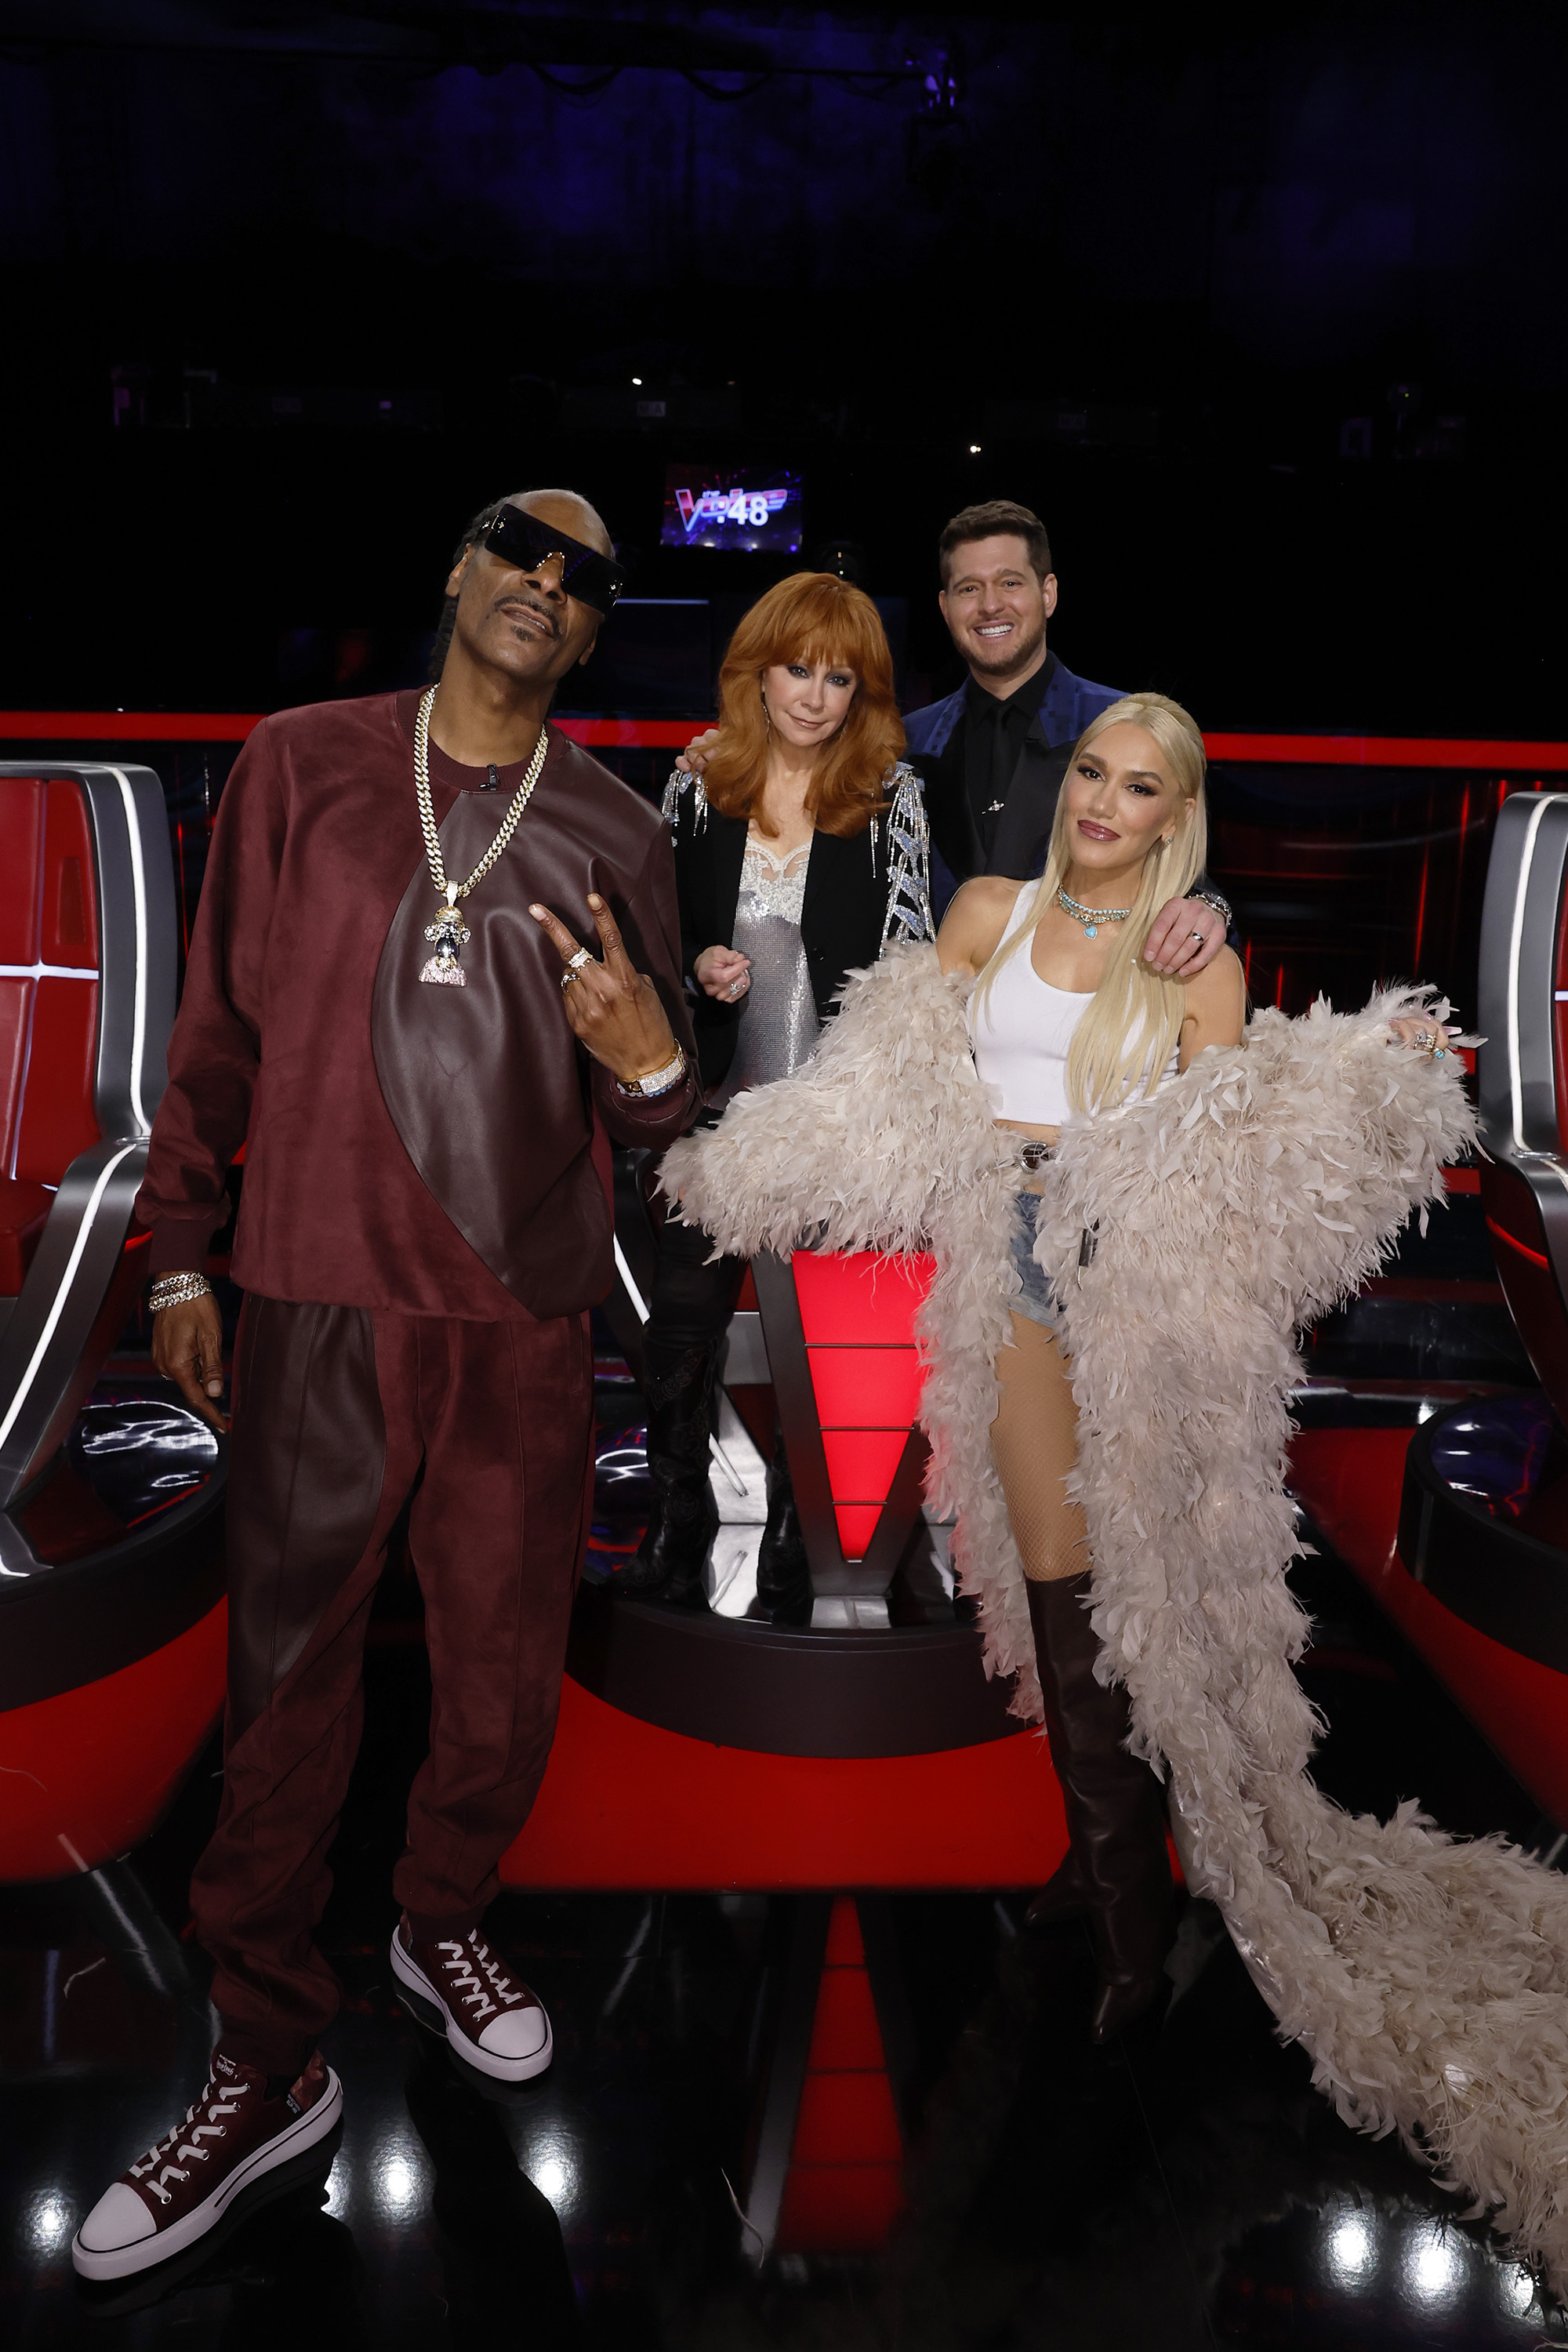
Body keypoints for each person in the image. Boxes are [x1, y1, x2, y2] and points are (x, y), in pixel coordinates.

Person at [654, 703, 1568, 2301]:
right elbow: (898, 1075)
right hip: (1000, 1271)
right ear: (1065, 786)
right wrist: (751, 1136)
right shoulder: (988, 913)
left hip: (1131, 1295)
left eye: (1141, 788)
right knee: (1063, 1582)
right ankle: (1120, 1917)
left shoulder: (1195, 955)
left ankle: (1161, 1893)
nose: (1104, 802)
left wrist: (1370, 1068)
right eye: (1091, 773)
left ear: (1174, 816)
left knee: (1164, 1587)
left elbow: (1227, 1149)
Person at [72, 488, 702, 2283]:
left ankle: (441, 1920)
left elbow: (655, 1129)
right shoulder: (298, 764)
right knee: (283, 1697)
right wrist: (183, 1246)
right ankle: (265, 2058)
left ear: (590, 634)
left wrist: (654, 1070)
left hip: (515, 1324)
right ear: (456, 568)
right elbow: (215, 1033)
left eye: (583, 580)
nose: (544, 585)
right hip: (317, 1295)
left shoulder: (609, 829)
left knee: (501, 1688)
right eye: (519, 546)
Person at [626, 572, 932, 1620]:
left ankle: (810, 1528)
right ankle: (678, 1520)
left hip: (840, 1115)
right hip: (716, 1104)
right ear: (755, 673)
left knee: (826, 1338)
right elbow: (657, 941)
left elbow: (912, 959)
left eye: (839, 676)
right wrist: (699, 966)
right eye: (797, 668)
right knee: (680, 1325)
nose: (813, 694)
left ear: (864, 692)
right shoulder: (697, 782)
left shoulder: (894, 795)